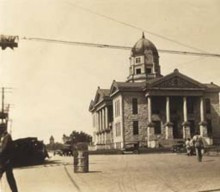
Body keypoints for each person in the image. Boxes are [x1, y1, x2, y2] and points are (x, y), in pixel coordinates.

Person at [0, 125, 18, 192]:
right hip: (5, 161)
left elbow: (3, 149)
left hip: (6, 162)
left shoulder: (7, 137)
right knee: (10, 178)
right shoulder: (4, 137)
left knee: (10, 178)